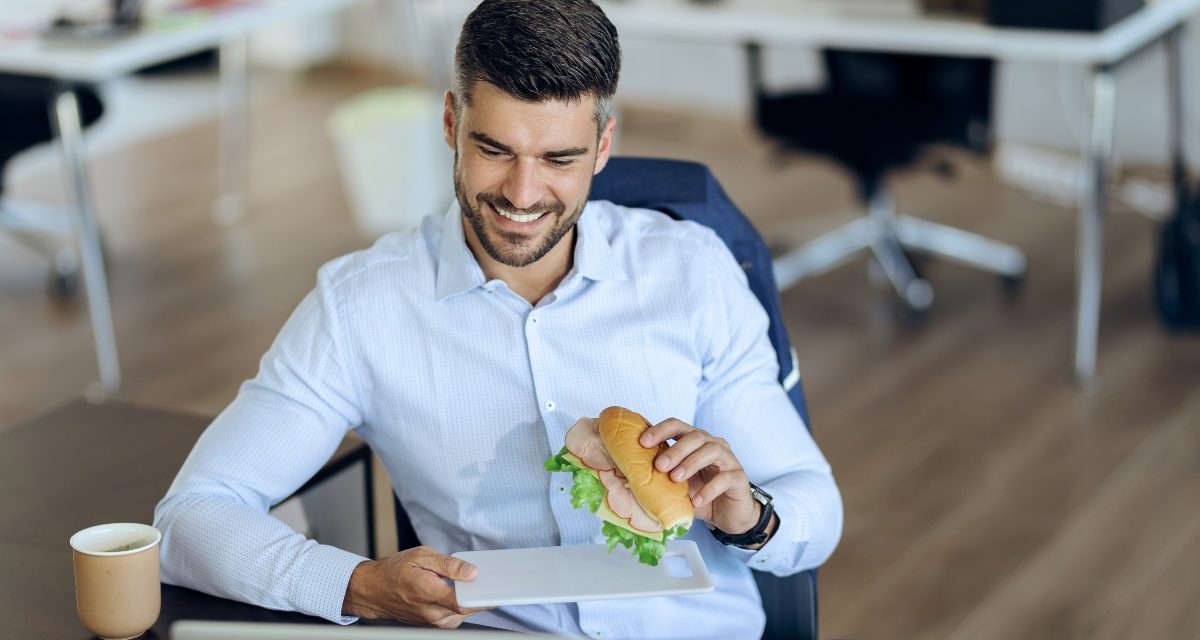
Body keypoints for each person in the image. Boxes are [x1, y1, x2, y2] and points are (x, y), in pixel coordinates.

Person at [154, 0, 843, 637]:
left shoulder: (691, 270)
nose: (522, 193)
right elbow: (191, 519)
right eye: (495, 150)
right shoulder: (360, 307)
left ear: (603, 146)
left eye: (559, 159)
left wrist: (752, 518)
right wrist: (357, 585)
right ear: (452, 123)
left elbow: (816, 507)